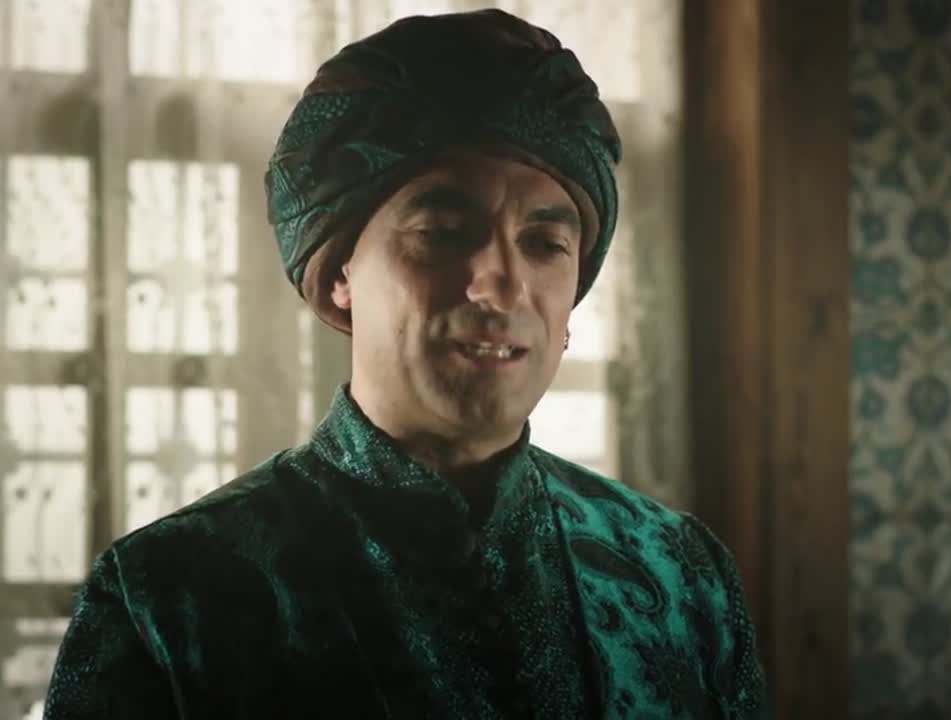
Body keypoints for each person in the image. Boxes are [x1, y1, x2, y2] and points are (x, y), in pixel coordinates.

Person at [44, 9, 768, 719]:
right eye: (444, 232)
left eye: (545, 244)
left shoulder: (680, 572)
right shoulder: (169, 597)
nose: (500, 285)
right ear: (340, 272)